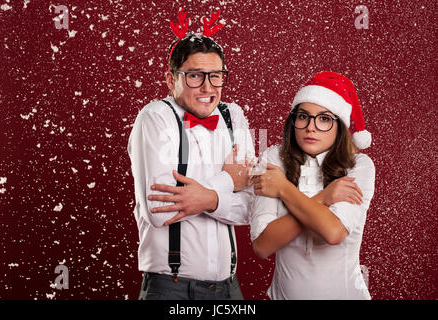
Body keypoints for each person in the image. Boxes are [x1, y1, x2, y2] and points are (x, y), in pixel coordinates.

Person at [127, 8, 255, 300]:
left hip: (229, 289)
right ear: (172, 80)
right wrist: (226, 183)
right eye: (195, 76)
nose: (208, 88)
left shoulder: (233, 117)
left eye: (216, 76)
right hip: (170, 288)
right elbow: (162, 212)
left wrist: (204, 198)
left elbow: (251, 207)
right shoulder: (155, 117)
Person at [250, 71, 375, 300]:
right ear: (293, 121)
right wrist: (323, 198)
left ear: (339, 126)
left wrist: (284, 189)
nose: (311, 127)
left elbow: (333, 232)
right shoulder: (274, 158)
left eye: (324, 119)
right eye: (303, 116)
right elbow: (263, 245)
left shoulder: (359, 166)